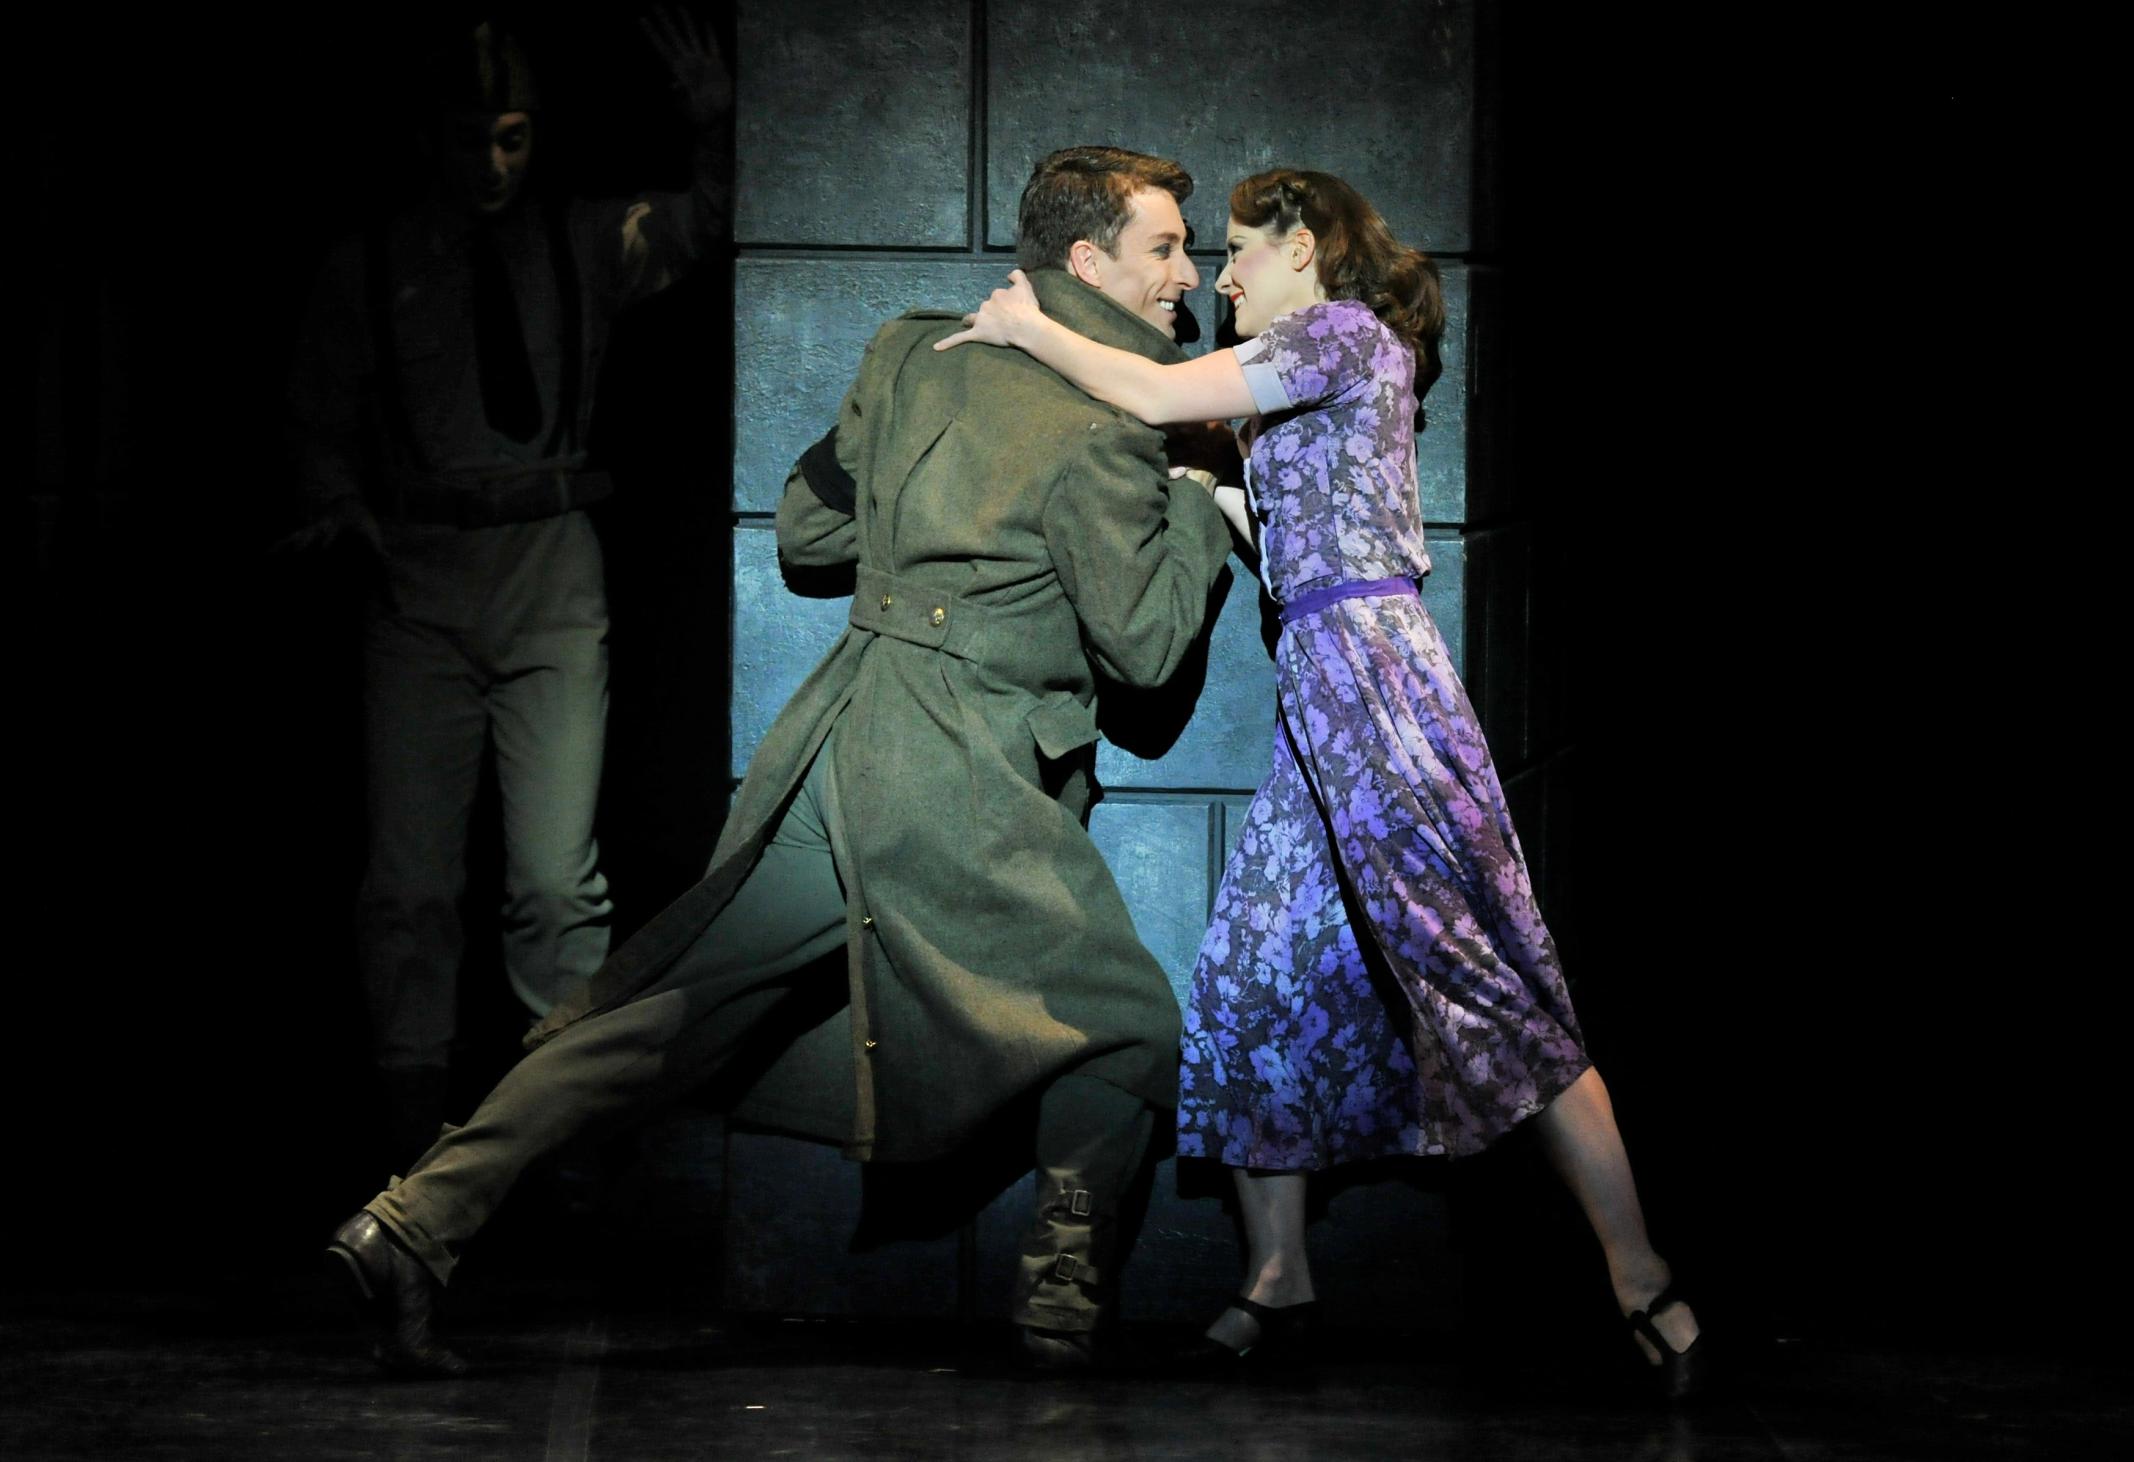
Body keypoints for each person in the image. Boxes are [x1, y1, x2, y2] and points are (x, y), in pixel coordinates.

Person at [323, 145, 1232, 1376]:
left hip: (839, 744)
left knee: (661, 1013)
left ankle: (410, 1219)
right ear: (1086, 259)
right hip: (957, 775)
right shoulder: (1113, 423)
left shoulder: (913, 349)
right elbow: (1147, 645)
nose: (1189, 275)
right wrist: (1193, 488)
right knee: (1126, 1028)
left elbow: (808, 529)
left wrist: (934, 504)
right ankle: (1061, 1303)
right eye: (1165, 248)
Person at [936, 168, 1707, 1397]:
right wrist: (1215, 493)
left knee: (1477, 976)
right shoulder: (1324, 365)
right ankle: (1277, 1276)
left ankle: (1638, 1273)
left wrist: (1026, 326)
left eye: (1239, 249)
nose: (1221, 277)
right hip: (1319, 687)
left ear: (1303, 246)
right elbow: (1305, 525)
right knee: (1252, 974)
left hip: (1375, 687)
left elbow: (1155, 390)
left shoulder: (1339, 334)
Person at [280, 13, 732, 1169]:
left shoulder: (580, 241)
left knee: (554, 881)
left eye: (514, 137)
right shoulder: (372, 262)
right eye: (469, 137)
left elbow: (703, 222)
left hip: (548, 571)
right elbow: (318, 406)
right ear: (427, 138)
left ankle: (552, 1137)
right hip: (420, 582)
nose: (492, 162)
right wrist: (335, 497)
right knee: (409, 881)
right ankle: (411, 1149)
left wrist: (712, 127)